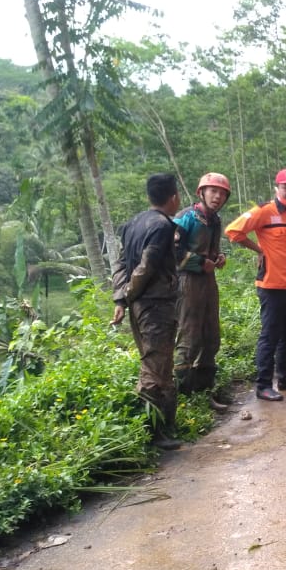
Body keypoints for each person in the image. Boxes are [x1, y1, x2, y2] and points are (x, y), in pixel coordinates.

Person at [225, 168, 286, 401]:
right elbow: (233, 231)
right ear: (277, 189)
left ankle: (285, 377)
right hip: (272, 286)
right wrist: (258, 249)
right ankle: (263, 385)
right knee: (270, 336)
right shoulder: (264, 211)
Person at [111, 173, 182, 450]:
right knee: (154, 367)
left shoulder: (132, 224)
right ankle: (153, 435)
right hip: (155, 305)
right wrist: (128, 295)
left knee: (160, 363)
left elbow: (119, 264)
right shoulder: (162, 226)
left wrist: (121, 298)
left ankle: (166, 426)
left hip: (140, 305)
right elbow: (146, 266)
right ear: (173, 197)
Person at [173, 172, 230, 412]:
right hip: (188, 281)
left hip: (208, 281)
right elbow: (172, 251)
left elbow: (211, 249)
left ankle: (205, 390)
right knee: (189, 336)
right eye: (213, 191)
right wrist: (198, 262)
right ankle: (184, 396)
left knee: (211, 336)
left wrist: (217, 258)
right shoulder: (186, 218)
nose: (217, 196)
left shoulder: (215, 220)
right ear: (202, 192)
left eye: (222, 193)